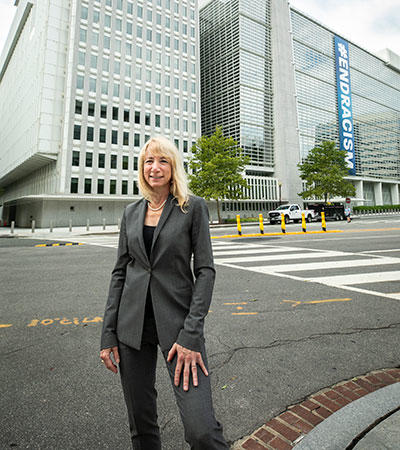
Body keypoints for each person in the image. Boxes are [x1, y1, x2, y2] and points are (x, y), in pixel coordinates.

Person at [100, 136, 228, 450]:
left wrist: (191, 334)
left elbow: (206, 271)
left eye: (162, 161)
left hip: (180, 329)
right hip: (132, 329)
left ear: (173, 168)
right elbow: (120, 273)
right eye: (148, 161)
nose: (154, 168)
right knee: (141, 427)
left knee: (201, 430)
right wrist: (108, 334)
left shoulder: (192, 207)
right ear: (141, 168)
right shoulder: (131, 213)